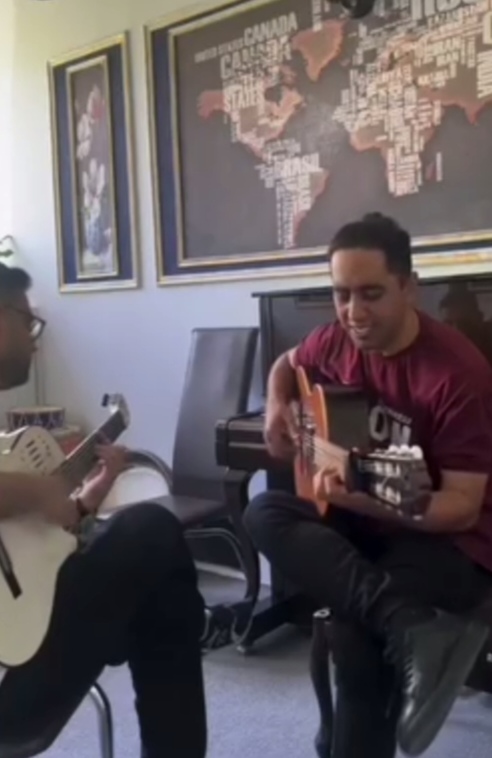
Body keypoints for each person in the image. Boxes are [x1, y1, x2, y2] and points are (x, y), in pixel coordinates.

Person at [244, 213, 492, 758]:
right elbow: (287, 361)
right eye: (342, 294)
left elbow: (460, 508)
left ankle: (397, 631)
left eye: (371, 294)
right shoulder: (335, 341)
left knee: (357, 640)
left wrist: (359, 496)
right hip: (367, 523)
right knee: (264, 512)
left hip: (450, 543)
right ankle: (408, 624)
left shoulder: (457, 375)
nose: (353, 313)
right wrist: (278, 404)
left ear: (409, 288)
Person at [0, 263, 235, 758]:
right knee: (152, 532)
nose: (36, 340)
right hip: (13, 669)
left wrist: (83, 500)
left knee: (158, 580)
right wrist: (37, 492)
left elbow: (25, 545)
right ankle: (194, 625)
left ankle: (179, 620)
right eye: (28, 321)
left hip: (24, 621)